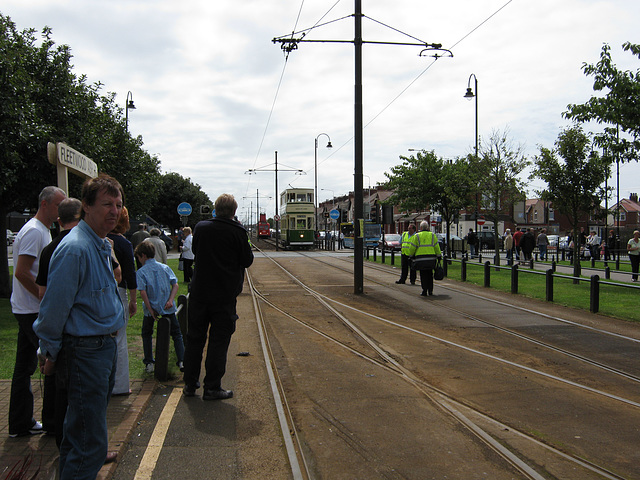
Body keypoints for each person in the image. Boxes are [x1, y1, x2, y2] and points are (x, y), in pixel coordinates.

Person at [33, 174, 125, 478]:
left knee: (81, 434)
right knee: (90, 442)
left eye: (118, 205)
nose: (114, 211)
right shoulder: (76, 248)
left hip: (100, 349)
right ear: (85, 206)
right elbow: (53, 308)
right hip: (86, 352)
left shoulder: (97, 243)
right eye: (106, 204)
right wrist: (48, 351)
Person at [183, 193, 254, 400]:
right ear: (233, 211)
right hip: (224, 295)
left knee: (194, 338)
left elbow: (196, 251)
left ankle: (189, 384)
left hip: (199, 293)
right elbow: (247, 260)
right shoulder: (238, 232)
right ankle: (212, 387)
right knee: (218, 342)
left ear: (215, 208)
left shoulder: (201, 228)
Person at [9, 186, 66, 438]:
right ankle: (52, 422)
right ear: (44, 204)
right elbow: (21, 272)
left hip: (26, 309)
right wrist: (44, 300)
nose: (60, 211)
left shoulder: (41, 230)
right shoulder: (34, 231)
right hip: (30, 310)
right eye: (57, 205)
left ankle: (21, 423)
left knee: (25, 366)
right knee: (50, 360)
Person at [34, 197, 81, 447]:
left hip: (55, 327)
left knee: (55, 382)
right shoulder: (87, 245)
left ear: (59, 220)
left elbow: (42, 294)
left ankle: (52, 425)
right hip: (77, 330)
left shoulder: (49, 249)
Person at [134, 241, 185, 373]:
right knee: (176, 333)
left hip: (151, 308)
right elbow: (175, 285)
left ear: (143, 256)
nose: (139, 260)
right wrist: (170, 300)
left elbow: (143, 292)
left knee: (147, 333)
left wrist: (150, 309)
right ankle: (182, 360)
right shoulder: (164, 267)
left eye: (139, 258)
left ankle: (149, 362)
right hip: (167, 306)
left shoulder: (141, 272)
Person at [107, 206, 138, 395]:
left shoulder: (99, 240)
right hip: (119, 292)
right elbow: (130, 274)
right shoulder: (124, 244)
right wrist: (133, 300)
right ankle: (119, 385)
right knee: (119, 339)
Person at [407, 221, 441, 297]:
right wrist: (439, 256)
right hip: (431, 259)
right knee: (430, 274)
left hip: (420, 259)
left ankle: (424, 290)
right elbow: (436, 247)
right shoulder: (432, 235)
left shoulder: (417, 236)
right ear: (428, 227)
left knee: (423, 275)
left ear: (421, 228)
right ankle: (430, 290)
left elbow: (412, 248)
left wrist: (411, 256)